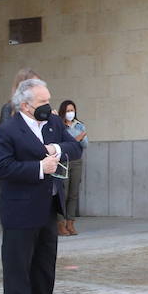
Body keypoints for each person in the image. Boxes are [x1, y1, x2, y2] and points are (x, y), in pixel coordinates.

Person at [0, 77, 83, 294]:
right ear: (26, 105)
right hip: (20, 209)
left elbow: (75, 147)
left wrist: (55, 148)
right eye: (43, 102)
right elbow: (1, 168)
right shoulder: (7, 131)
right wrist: (38, 168)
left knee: (44, 264)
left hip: (48, 206)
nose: (48, 106)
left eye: (48, 100)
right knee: (18, 266)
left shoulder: (53, 123)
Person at [58, 99, 87, 236]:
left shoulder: (79, 125)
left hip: (76, 161)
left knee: (73, 194)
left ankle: (70, 223)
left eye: (72, 110)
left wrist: (76, 140)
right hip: (63, 161)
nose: (70, 113)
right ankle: (61, 223)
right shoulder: (59, 126)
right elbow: (62, 144)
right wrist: (77, 139)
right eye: (68, 110)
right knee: (63, 193)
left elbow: (85, 143)